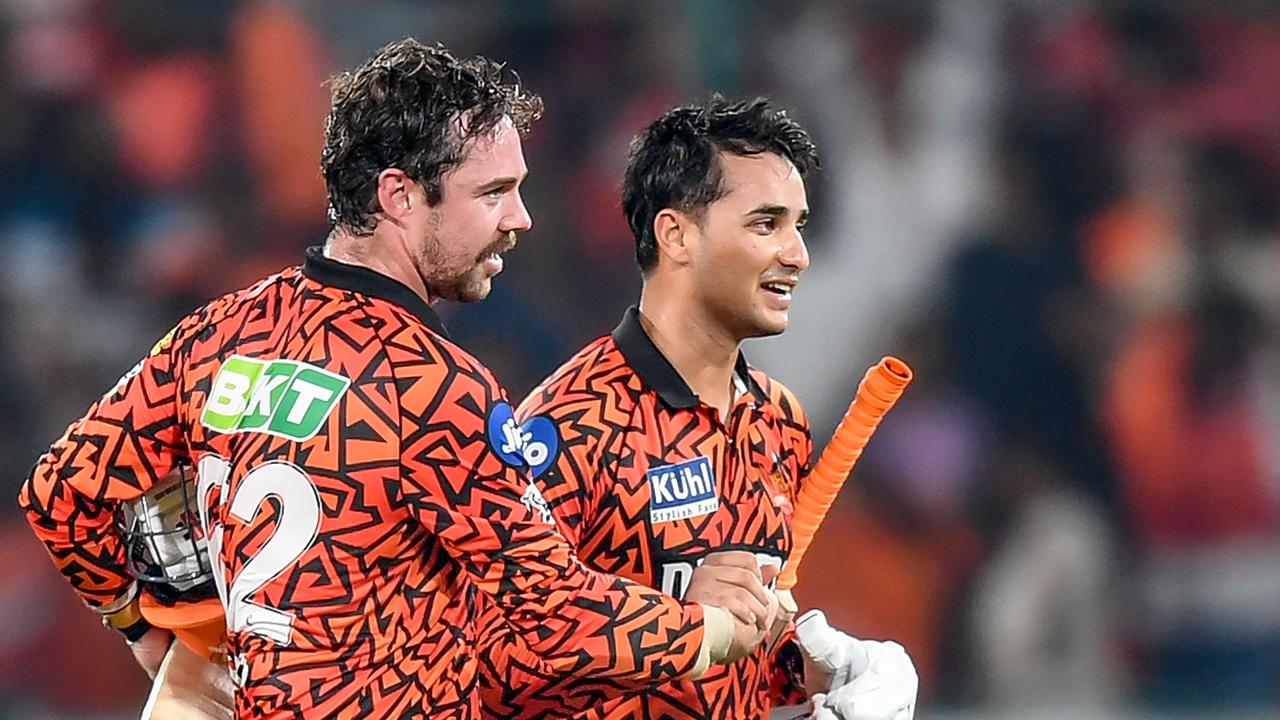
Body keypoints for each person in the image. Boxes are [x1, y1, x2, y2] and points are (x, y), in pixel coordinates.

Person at [17, 40, 773, 720]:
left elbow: (61, 493)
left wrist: (150, 628)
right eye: (492, 193)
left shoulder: (220, 334)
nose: (521, 218)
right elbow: (551, 614)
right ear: (399, 196)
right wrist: (708, 626)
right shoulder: (433, 387)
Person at [475, 97, 918, 719]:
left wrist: (821, 669)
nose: (797, 254)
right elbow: (487, 666)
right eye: (766, 224)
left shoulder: (779, 420)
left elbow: (745, 652)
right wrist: (675, 624)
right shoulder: (568, 425)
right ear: (675, 234)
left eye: (799, 225)